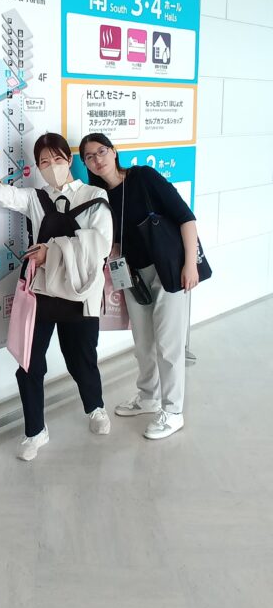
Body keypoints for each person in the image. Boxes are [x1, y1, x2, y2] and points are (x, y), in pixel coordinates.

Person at [0, 133, 113, 461]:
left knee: (81, 358)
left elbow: (100, 244)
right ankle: (35, 431)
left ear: (69, 160)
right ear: (38, 167)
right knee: (29, 363)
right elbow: (1, 194)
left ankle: (95, 407)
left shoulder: (94, 195)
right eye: (44, 162)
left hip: (80, 293)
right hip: (40, 294)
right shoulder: (35, 199)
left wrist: (51, 251)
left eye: (57, 159)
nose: (52, 166)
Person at [79, 132, 199, 440]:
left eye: (101, 151)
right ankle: (149, 397)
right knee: (143, 342)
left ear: (114, 151)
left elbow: (185, 217)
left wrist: (190, 264)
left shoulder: (143, 177)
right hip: (132, 275)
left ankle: (173, 412)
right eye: (89, 157)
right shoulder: (99, 197)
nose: (97, 160)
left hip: (168, 269)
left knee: (169, 345)